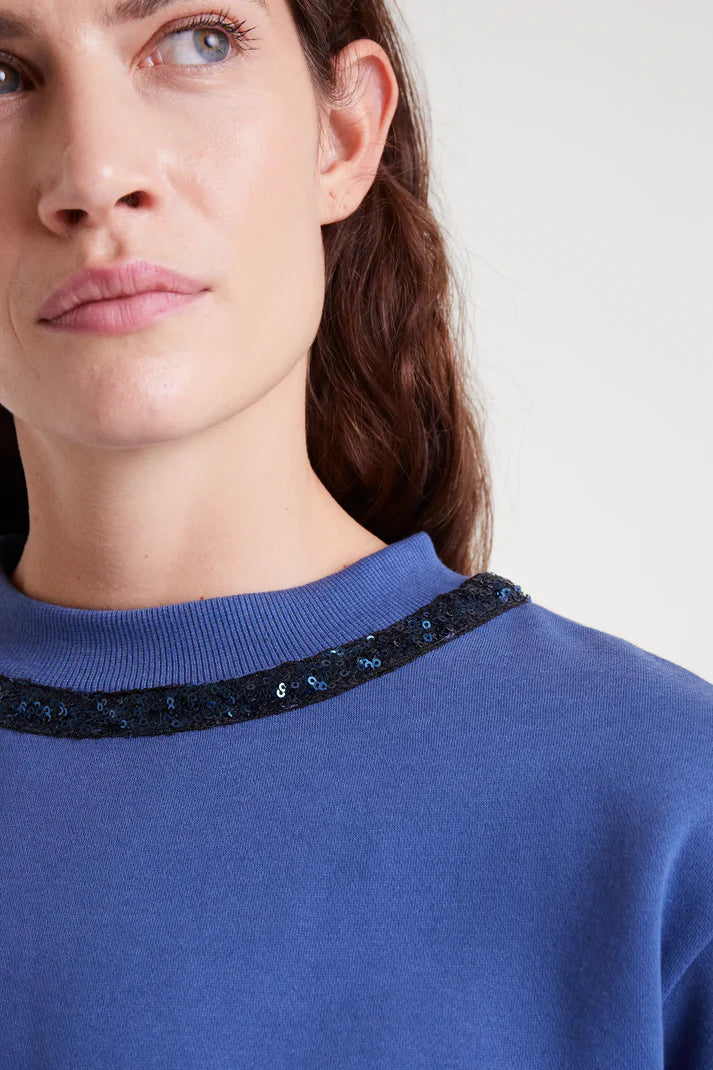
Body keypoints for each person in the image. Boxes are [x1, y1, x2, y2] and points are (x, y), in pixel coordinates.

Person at [0, 1, 710, 1067]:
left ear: (342, 135)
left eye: (195, 40)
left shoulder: (665, 806)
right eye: (0, 76)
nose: (94, 175)